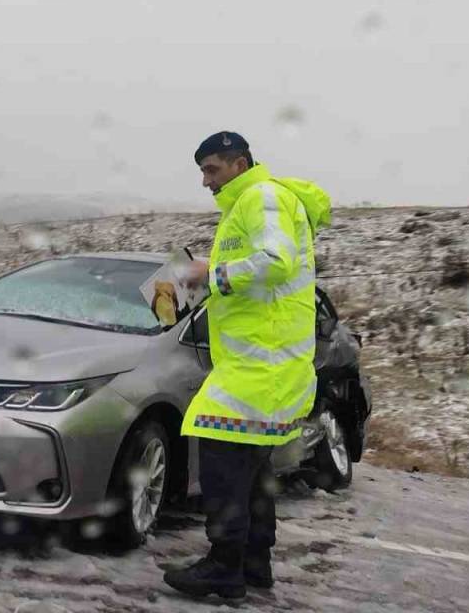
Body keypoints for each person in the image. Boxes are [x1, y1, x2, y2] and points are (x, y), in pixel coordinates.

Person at [162, 131, 331, 600]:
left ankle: (224, 566)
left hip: (262, 368)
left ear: (239, 164)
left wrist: (208, 274)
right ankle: (254, 564)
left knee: (220, 458)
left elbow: (275, 262)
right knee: (251, 471)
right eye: (202, 171)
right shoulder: (246, 206)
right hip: (263, 366)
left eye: (211, 169)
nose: (204, 181)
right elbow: (259, 277)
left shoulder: (263, 196)